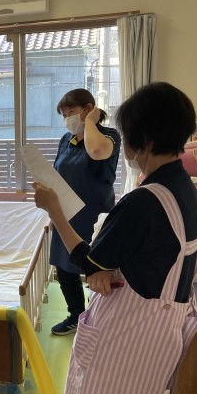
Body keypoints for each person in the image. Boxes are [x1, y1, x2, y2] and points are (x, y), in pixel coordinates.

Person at [33, 82, 197, 394]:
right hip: (157, 336)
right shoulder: (184, 189)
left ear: (144, 141)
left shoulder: (144, 201)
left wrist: (54, 211)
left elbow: (90, 261)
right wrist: (106, 270)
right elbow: (146, 256)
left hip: (129, 344)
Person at [49, 89, 121, 335]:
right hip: (66, 215)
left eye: (71, 112)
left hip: (94, 216)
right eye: (64, 114)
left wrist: (90, 122)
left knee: (95, 271)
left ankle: (97, 318)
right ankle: (75, 315)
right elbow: (57, 174)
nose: (67, 118)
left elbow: (97, 152)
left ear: (89, 109)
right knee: (64, 268)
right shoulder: (66, 140)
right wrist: (52, 210)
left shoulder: (109, 136)